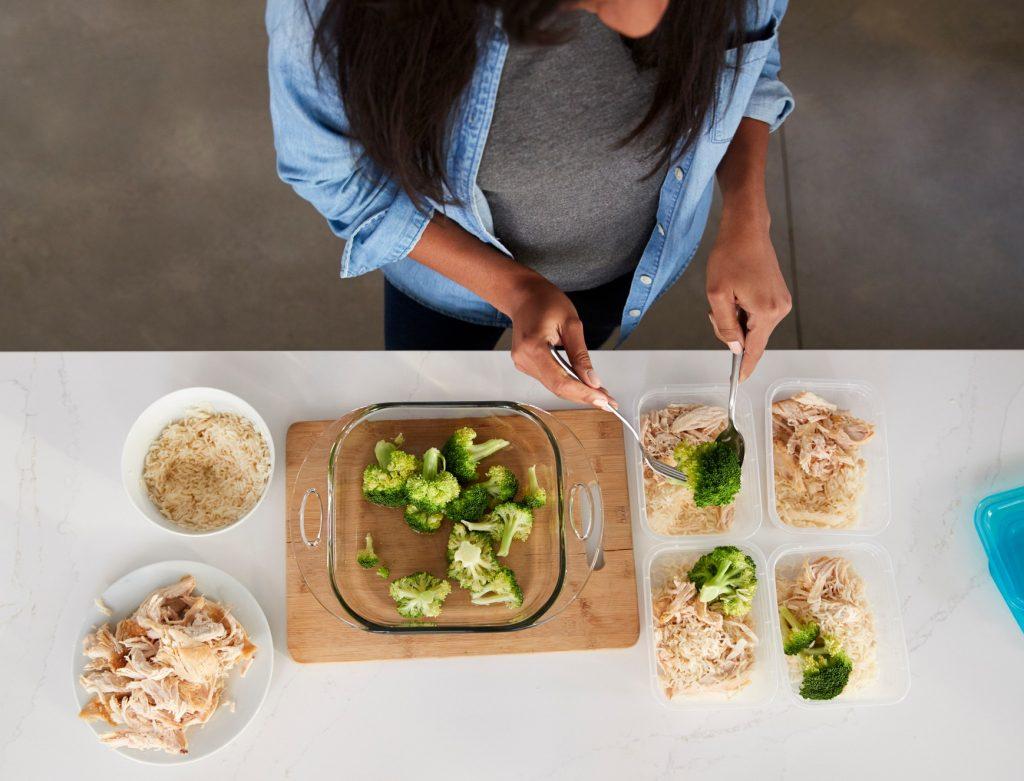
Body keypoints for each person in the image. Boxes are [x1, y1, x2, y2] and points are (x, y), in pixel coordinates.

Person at [267, 0, 794, 406]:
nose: (653, 20)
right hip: (441, 279)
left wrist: (748, 218)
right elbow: (333, 172)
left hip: (623, 265)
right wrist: (514, 289)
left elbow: (748, 59)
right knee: (426, 398)